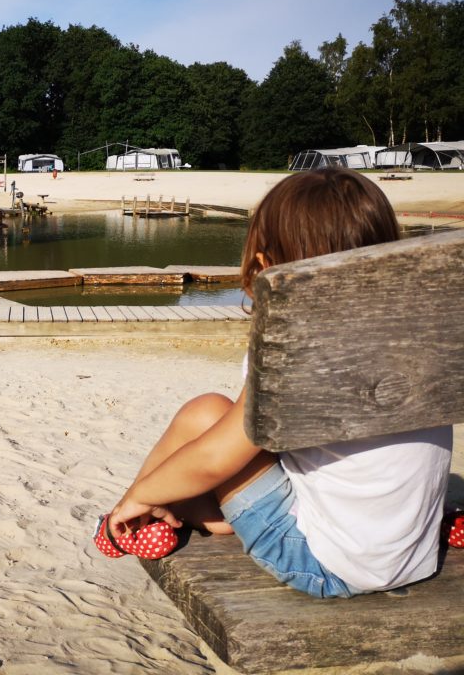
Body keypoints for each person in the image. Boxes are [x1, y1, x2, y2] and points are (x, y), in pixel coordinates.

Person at [106, 168, 452, 598]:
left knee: (205, 414)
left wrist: (143, 490)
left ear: (267, 265)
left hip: (320, 563)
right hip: (412, 554)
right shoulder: (430, 336)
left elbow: (218, 457)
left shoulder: (291, 349)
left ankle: (133, 514)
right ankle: (178, 505)